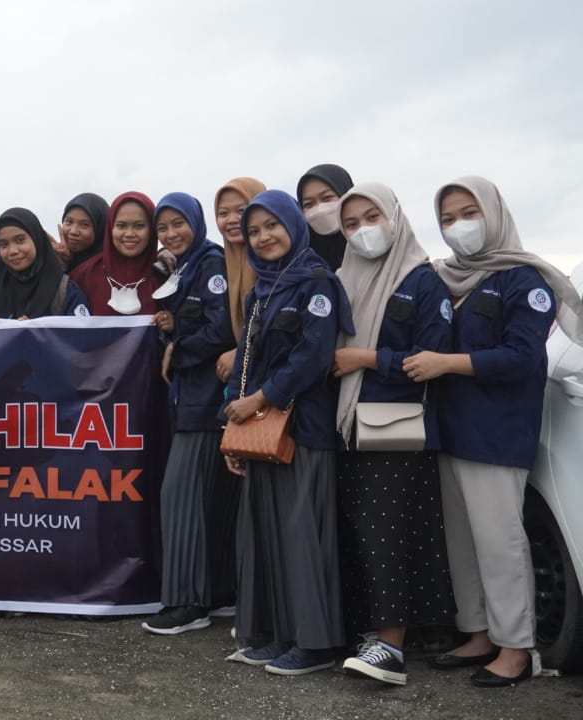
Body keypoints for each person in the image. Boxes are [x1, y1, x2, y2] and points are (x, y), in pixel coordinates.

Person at [403, 176, 583, 687]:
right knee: (462, 543)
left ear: (494, 212)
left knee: (500, 540)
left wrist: (447, 363)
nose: (458, 226)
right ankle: (478, 633)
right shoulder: (449, 279)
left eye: (467, 212)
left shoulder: (525, 279)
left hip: (496, 432)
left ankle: (516, 646)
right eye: (446, 218)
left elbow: (523, 357)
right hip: (450, 429)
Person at [221, 189, 354, 676]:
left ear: (293, 226)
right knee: (268, 536)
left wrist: (260, 400)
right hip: (260, 431)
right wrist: (229, 427)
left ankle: (316, 643)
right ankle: (281, 635)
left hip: (304, 428)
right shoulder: (263, 288)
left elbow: (313, 357)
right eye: (254, 231)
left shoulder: (316, 281)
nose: (263, 237)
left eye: (271, 225)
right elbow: (246, 361)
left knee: (302, 534)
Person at [330, 182, 455, 686]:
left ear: (395, 217)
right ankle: (372, 634)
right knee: (360, 533)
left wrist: (368, 358)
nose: (363, 231)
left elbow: (434, 357)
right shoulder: (343, 280)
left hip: (397, 430)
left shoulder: (422, 281)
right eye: (351, 223)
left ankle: (392, 645)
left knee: (390, 537)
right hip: (350, 425)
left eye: (371, 217)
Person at [140, 193, 238, 636]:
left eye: (178, 223)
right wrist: (173, 326)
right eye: (163, 228)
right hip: (191, 399)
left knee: (179, 498)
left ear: (196, 223)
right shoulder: (185, 268)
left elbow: (221, 330)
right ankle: (216, 594)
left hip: (205, 401)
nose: (171, 234)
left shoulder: (210, 264)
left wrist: (179, 350)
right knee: (204, 502)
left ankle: (185, 602)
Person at [70, 191, 169, 316]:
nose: (129, 234)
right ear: (110, 227)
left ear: (152, 229)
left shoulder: (166, 278)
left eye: (139, 226)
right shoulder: (83, 276)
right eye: (121, 226)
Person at [0, 207, 89, 318]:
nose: (12, 251)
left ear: (37, 239)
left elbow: (83, 333)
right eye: (4, 244)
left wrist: (35, 332)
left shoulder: (65, 291)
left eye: (20, 240)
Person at [212, 177, 267, 383]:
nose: (232, 219)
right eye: (223, 213)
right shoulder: (220, 266)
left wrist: (242, 354)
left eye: (242, 211)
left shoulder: (277, 266)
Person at [297, 164, 355, 271]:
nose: (319, 209)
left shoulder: (369, 242)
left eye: (327, 198)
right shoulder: (300, 261)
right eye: (309, 204)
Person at [54, 192, 109, 273]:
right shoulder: (56, 258)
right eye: (69, 222)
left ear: (100, 228)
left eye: (84, 225)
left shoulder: (108, 268)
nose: (73, 231)